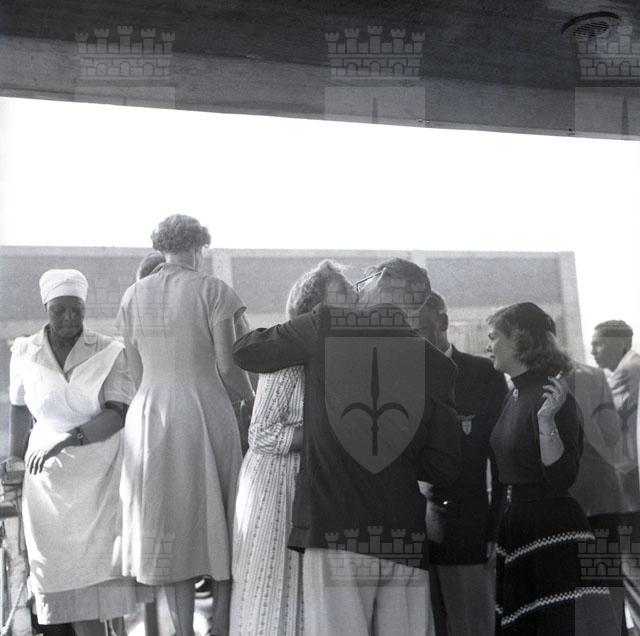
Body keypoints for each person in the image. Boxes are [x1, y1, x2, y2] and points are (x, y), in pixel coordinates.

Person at [233, 259, 461, 636]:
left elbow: (247, 351)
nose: (356, 290)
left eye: (361, 281)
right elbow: (444, 467)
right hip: (403, 534)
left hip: (334, 527)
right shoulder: (439, 366)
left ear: (380, 279)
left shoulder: (326, 324)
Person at [116, 214, 255, 636]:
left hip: (150, 416)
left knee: (171, 524)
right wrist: (254, 399)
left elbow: (136, 373)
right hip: (203, 409)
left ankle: (183, 631)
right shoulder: (212, 289)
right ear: (198, 248)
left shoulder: (132, 296)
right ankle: (222, 626)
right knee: (222, 517)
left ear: (162, 248)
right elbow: (228, 368)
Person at [8, 269, 149, 635]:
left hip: (100, 477)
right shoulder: (24, 351)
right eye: (60, 310)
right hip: (47, 485)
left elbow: (117, 413)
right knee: (63, 581)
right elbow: (19, 407)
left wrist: (67, 440)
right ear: (46, 308)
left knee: (100, 584)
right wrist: (15, 456)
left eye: (77, 310)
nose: (69, 318)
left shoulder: (109, 349)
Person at [230, 259, 354, 636]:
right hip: (276, 484)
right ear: (313, 308)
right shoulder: (285, 355)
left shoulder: (343, 355)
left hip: (314, 479)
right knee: (276, 583)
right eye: (341, 296)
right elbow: (263, 433)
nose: (351, 303)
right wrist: (329, 433)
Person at [487, 302, 616, 635]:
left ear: (520, 340)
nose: (490, 346)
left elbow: (561, 477)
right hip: (518, 526)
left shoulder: (552, 396)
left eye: (495, 337)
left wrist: (546, 422)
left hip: (551, 530)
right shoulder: (513, 396)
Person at [419, 292, 507, 636]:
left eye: (421, 329)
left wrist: (494, 528)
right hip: (411, 537)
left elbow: (501, 461)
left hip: (466, 531)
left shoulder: (482, 374)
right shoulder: (397, 376)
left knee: (472, 627)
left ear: (443, 322)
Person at [566, 362, 626, 632]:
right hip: (605, 497)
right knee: (610, 581)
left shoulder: (535, 381)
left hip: (575, 501)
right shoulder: (594, 375)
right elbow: (613, 434)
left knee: (587, 589)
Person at [591, 319, 640, 631]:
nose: (593, 351)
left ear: (621, 343)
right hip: (630, 486)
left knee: (632, 570)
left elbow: (606, 428)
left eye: (599, 343)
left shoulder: (627, 372)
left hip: (629, 489)